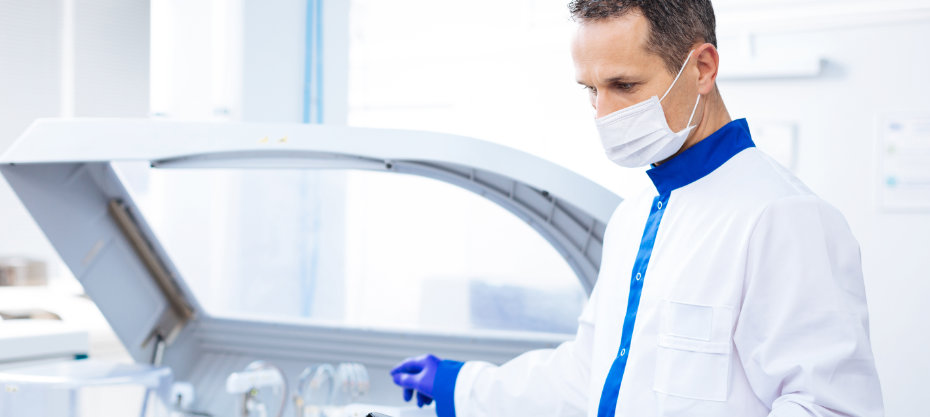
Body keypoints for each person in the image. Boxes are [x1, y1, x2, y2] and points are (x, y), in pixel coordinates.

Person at [390, 1, 885, 416]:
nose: (603, 115)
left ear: (702, 68)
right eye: (591, 90)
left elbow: (827, 407)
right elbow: (591, 373)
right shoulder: (637, 215)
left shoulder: (781, 216)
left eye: (624, 86)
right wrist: (463, 386)